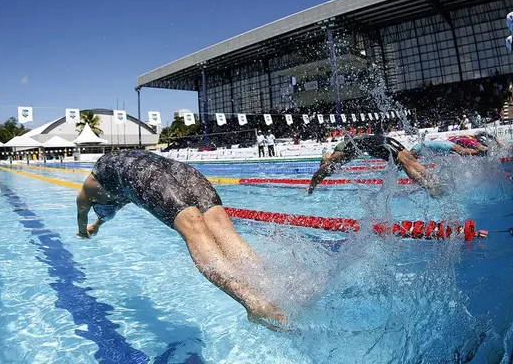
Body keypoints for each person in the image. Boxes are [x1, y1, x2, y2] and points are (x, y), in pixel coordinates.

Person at [75, 150, 287, 330]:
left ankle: (254, 303)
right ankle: (271, 289)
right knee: (223, 228)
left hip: (148, 176)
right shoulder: (115, 178)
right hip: (181, 170)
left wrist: (83, 230)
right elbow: (117, 202)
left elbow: (82, 214)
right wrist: (98, 225)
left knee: (195, 231)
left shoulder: (86, 194)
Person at [307, 134, 438, 195]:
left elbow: (319, 174)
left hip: (374, 142)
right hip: (379, 140)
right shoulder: (343, 151)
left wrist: (310, 189)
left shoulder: (336, 156)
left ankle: (431, 187)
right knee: (408, 160)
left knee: (405, 162)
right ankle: (434, 181)